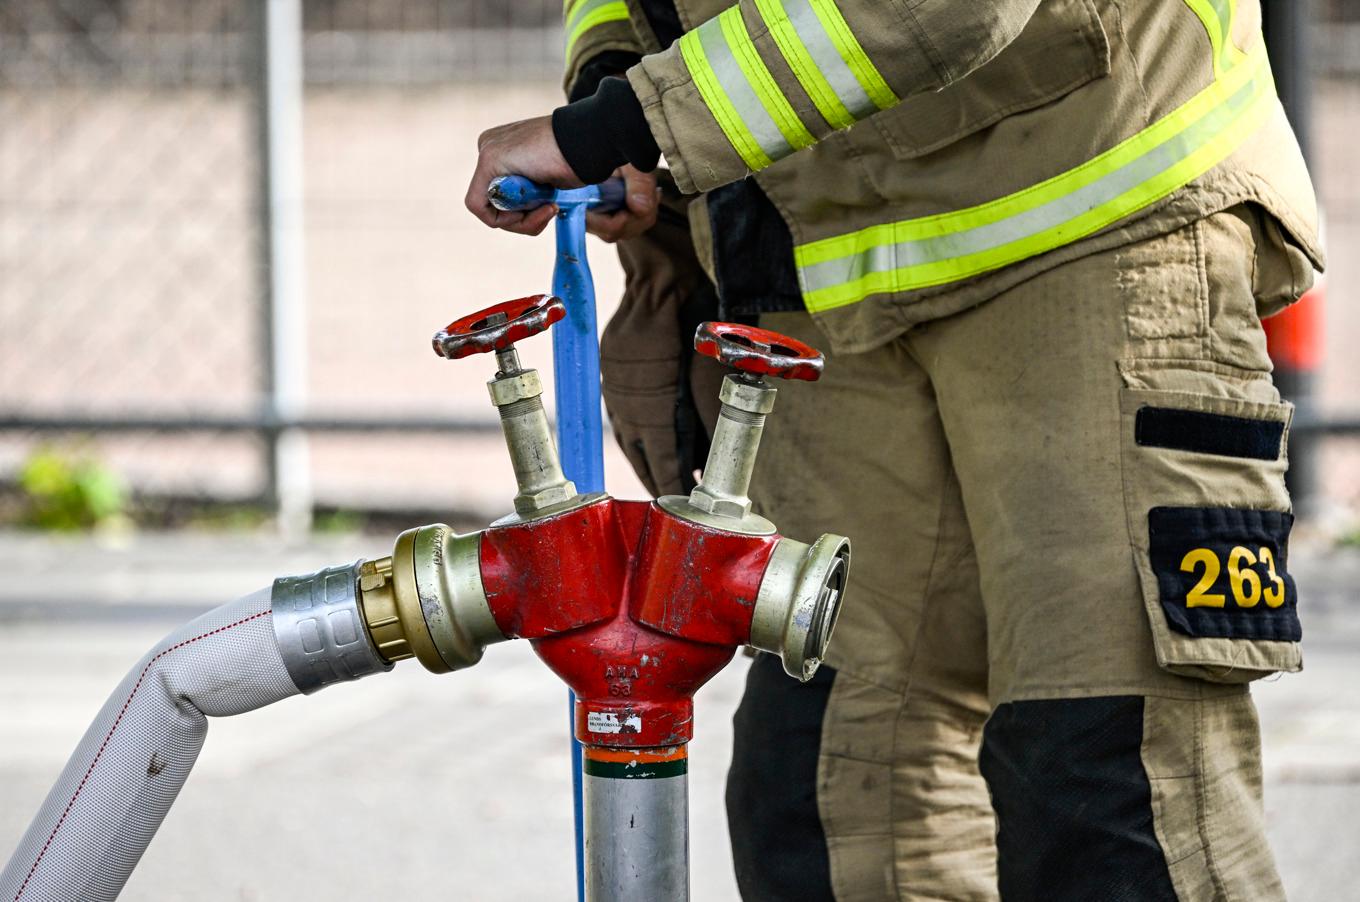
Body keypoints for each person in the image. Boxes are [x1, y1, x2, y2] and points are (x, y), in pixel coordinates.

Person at [464, 2, 1323, 899]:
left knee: (1107, 784)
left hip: (1097, 204)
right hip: (835, 255)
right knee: (828, 794)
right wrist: (612, 61)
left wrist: (626, 121)